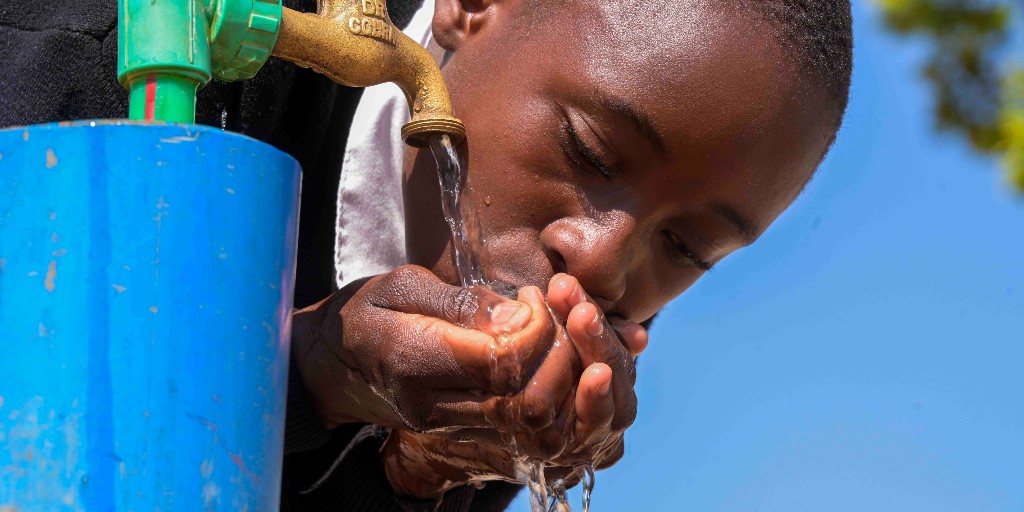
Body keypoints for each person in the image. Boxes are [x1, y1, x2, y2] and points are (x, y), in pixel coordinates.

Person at [0, 0, 853, 510]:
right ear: (471, 5)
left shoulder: (530, 386)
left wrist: (412, 478)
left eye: (686, 247)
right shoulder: (113, 55)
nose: (600, 264)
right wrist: (300, 370)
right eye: (589, 152)